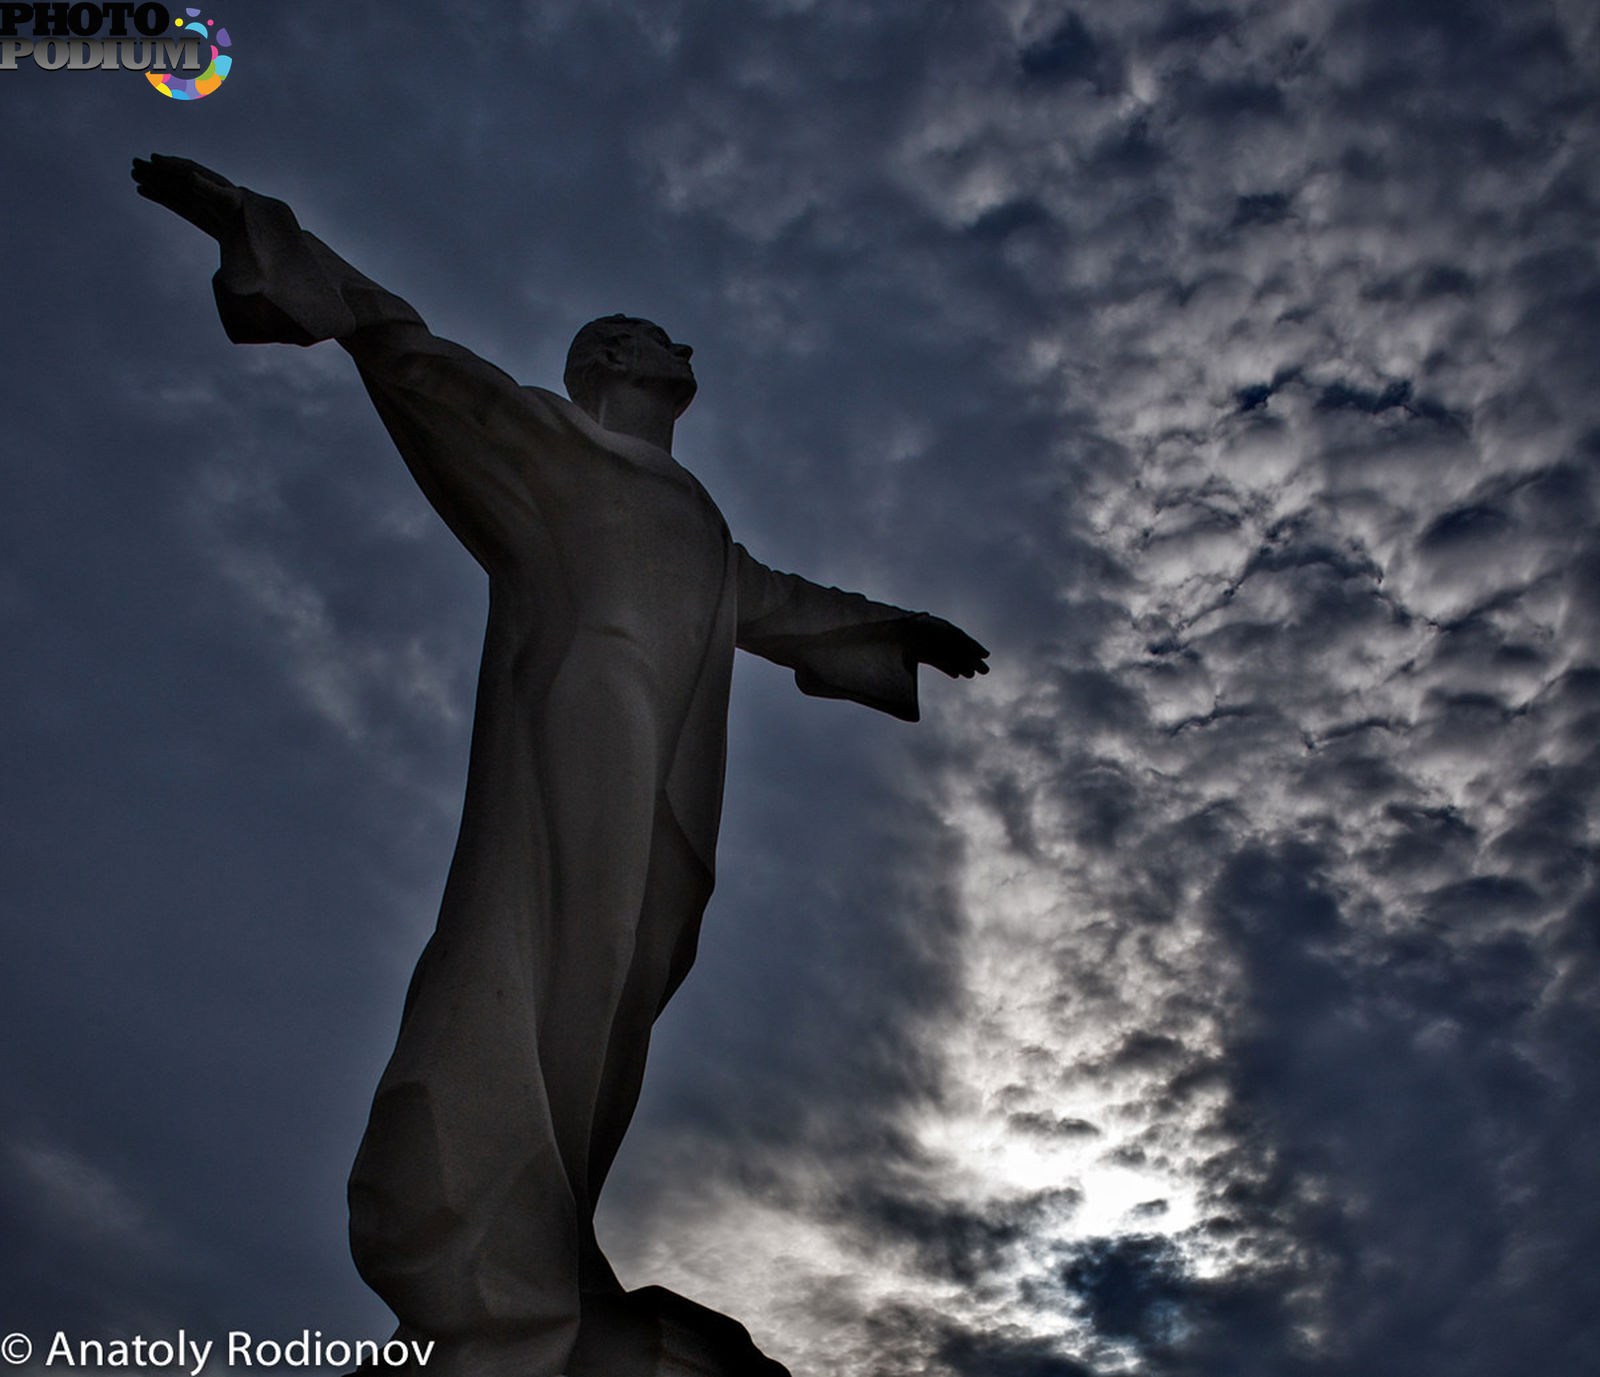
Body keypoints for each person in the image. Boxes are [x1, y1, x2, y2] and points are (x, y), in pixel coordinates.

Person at [133, 154, 989, 1377]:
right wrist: (258, 227)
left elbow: (781, 603)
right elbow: (405, 347)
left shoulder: (696, 516)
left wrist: (897, 630)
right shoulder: (545, 444)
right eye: (653, 336)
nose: (679, 344)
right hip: (581, 728)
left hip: (670, 781)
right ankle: (496, 1261)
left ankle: (549, 1244)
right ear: (611, 366)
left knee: (630, 975)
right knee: (558, 960)